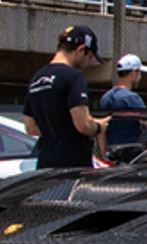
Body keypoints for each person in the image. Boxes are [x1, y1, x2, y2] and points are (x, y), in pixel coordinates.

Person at [23, 25, 111, 168]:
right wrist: (98, 127)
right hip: (72, 167)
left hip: (45, 164)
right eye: (88, 58)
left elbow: (30, 128)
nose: (87, 64)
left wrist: (56, 130)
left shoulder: (36, 79)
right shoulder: (74, 77)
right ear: (80, 50)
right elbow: (83, 124)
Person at [98, 54, 147, 160]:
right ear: (133, 73)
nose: (140, 77)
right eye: (140, 73)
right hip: (130, 153)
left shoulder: (105, 98)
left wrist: (103, 157)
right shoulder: (132, 98)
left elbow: (100, 130)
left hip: (110, 153)